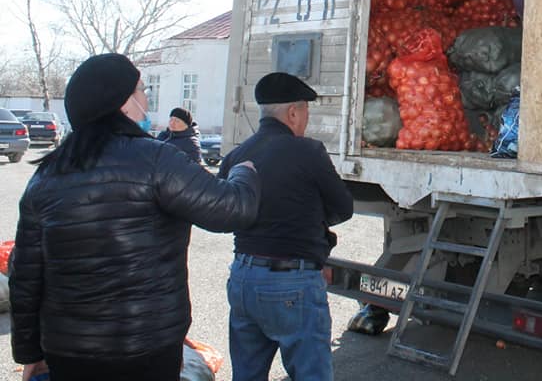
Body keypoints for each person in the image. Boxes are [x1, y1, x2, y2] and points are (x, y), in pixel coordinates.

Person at [8, 53, 261, 381]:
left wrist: (30, 354)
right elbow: (232, 210)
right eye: (141, 90)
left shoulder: (46, 175)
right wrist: (245, 171)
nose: (147, 98)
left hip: (68, 351)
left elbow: (25, 276)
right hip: (148, 349)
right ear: (123, 103)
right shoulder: (156, 159)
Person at [219, 72, 354, 381]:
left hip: (242, 279)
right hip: (292, 282)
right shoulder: (308, 152)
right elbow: (342, 208)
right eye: (306, 110)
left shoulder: (235, 156)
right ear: (293, 112)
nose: (306, 118)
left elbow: (224, 213)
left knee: (246, 374)